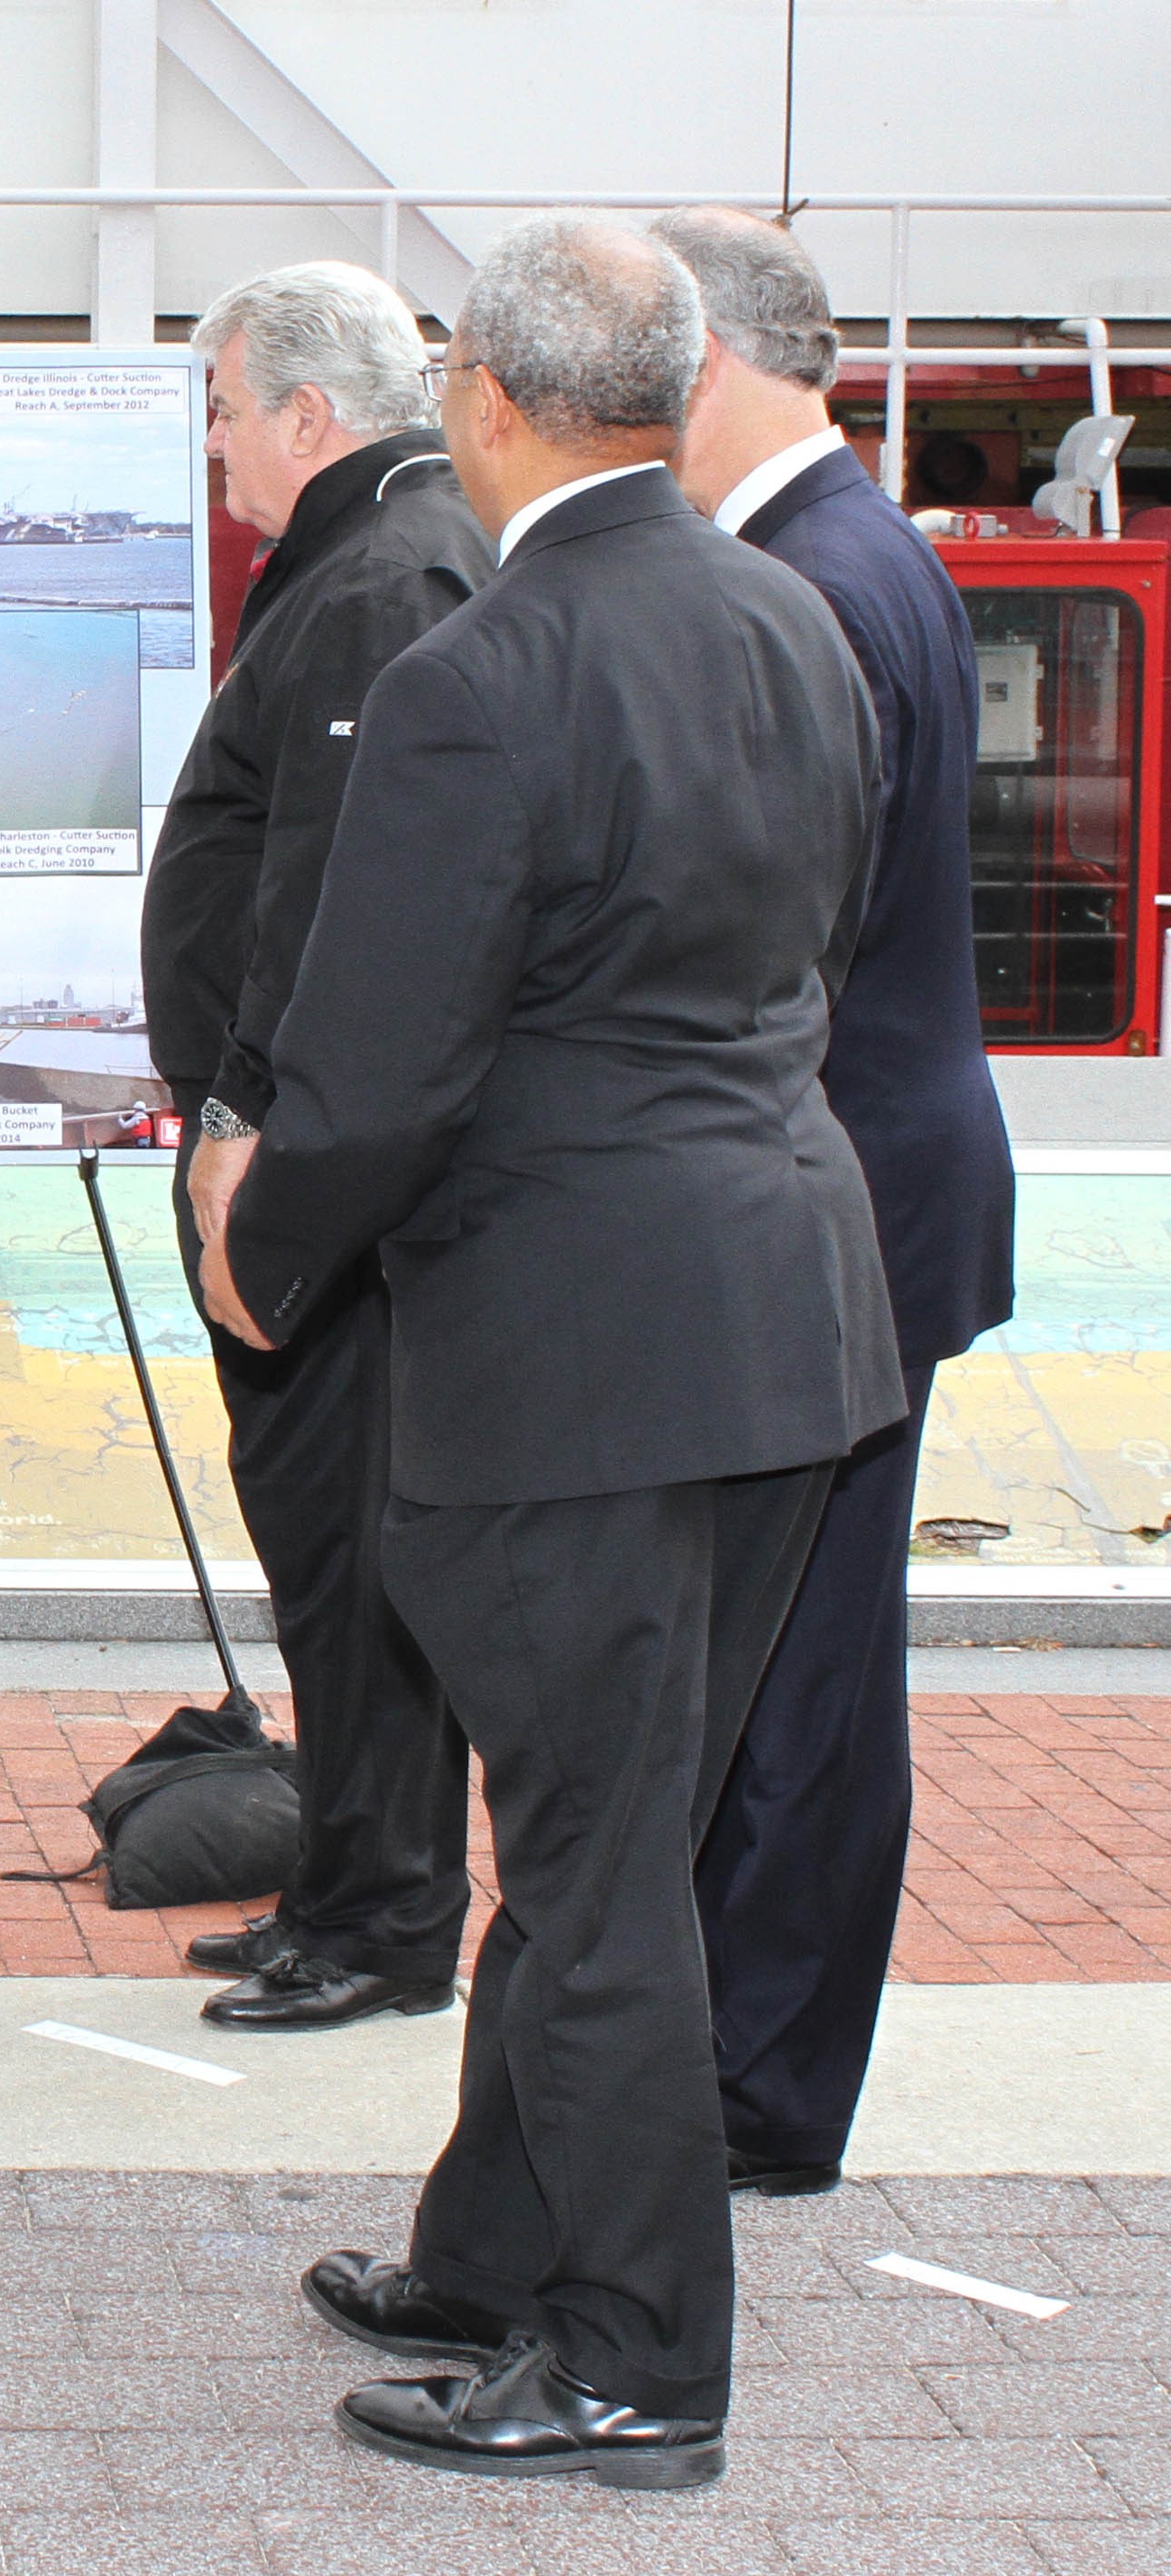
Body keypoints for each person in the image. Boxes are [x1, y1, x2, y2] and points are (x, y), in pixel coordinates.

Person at [197, 215, 901, 2485]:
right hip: (785, 1315)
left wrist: (260, 1245)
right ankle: (494, 2251)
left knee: (594, 1881)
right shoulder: (792, 614)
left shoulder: (478, 673)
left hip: (571, 1356)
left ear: (483, 399)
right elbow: (826, 941)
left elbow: (378, 1067)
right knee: (619, 1834)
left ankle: (633, 2361)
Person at [653, 204, 1019, 2197]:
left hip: (841, 1200)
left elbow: (778, 945)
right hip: (885, 1175)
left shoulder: (808, 578)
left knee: (792, 1670)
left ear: (700, 364)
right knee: (804, 1651)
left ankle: (759, 2091)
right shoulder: (850, 552)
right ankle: (756, 2064)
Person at [143, 260, 492, 2035]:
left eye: (219, 405)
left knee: (355, 1555)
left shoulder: (374, 582)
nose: (209, 442)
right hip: (298, 1168)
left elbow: (333, 907)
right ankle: (345, 1887)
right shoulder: (368, 563)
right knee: (326, 1549)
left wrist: (238, 1134)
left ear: (304, 410)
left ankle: (383, 1918)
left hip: (304, 1185)